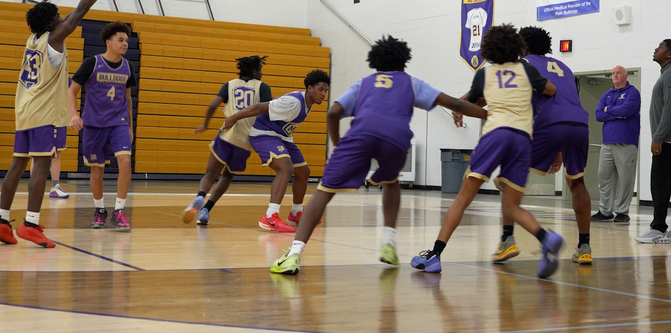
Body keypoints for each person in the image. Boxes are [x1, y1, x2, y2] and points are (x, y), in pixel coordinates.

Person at [270, 36, 487, 275]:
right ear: (403, 62)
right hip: (396, 140)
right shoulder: (411, 82)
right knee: (391, 182)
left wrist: (338, 143)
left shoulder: (363, 84)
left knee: (323, 193)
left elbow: (333, 112)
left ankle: (294, 254)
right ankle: (388, 243)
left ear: (375, 63)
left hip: (360, 136)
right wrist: (490, 115)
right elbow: (456, 104)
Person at [411, 24, 565, 279]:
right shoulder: (527, 69)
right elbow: (551, 90)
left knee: (463, 198)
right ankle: (546, 238)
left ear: (489, 49)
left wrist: (469, 110)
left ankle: (434, 255)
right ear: (518, 47)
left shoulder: (485, 74)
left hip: (495, 134)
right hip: (522, 139)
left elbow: (469, 102)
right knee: (512, 206)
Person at [0, 0, 115, 248]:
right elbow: (79, 12)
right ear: (49, 24)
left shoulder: (33, 39)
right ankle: (31, 224)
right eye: (57, 16)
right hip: (44, 112)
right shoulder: (54, 39)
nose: (61, 18)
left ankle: (1, 220)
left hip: (25, 110)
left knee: (17, 164)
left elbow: (70, 15)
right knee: (41, 166)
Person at [483, 26, 592, 265]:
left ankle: (507, 240)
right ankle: (584, 247)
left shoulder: (522, 64)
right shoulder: (564, 67)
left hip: (550, 124)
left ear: (522, 47)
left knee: (508, 178)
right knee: (577, 182)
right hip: (580, 124)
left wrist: (459, 103)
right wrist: (558, 150)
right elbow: (565, 105)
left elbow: (487, 93)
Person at [221, 69, 330, 232]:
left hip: (281, 135)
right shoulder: (293, 102)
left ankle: (296, 214)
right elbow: (258, 107)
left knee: (303, 171)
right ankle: (270, 216)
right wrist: (233, 117)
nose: (323, 94)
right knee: (285, 168)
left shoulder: (307, 103)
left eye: (325, 91)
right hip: (263, 133)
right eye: (320, 90)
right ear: (309, 88)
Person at [183, 55, 272, 225]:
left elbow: (212, 105)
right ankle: (206, 210)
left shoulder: (229, 85)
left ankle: (200, 196)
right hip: (245, 142)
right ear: (255, 71)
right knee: (227, 176)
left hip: (226, 135)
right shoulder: (263, 87)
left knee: (210, 174)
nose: (262, 73)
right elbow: (266, 111)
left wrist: (204, 125)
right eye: (260, 70)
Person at [69, 22, 136, 232]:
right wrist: (73, 115)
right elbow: (72, 91)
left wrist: (130, 128)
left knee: (125, 162)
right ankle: (100, 210)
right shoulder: (92, 63)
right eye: (120, 40)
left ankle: (119, 211)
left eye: (126, 41)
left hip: (118, 123)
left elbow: (128, 99)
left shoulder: (128, 66)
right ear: (108, 42)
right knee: (97, 171)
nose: (125, 44)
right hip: (94, 124)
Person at [635, 39, 671, 244]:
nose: (655, 49)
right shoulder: (670, 74)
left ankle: (658, 228)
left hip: (670, 140)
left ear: (670, 54)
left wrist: (658, 137)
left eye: (660, 47)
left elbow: (670, 109)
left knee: (659, 183)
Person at [592, 65, 641, 224]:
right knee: (604, 177)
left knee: (626, 179)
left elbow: (626, 110)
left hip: (626, 142)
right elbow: (599, 115)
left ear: (625, 76)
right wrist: (616, 114)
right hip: (607, 143)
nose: (615, 75)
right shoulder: (607, 94)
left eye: (618, 73)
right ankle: (605, 211)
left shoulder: (632, 92)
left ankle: (622, 212)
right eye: (613, 73)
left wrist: (609, 110)